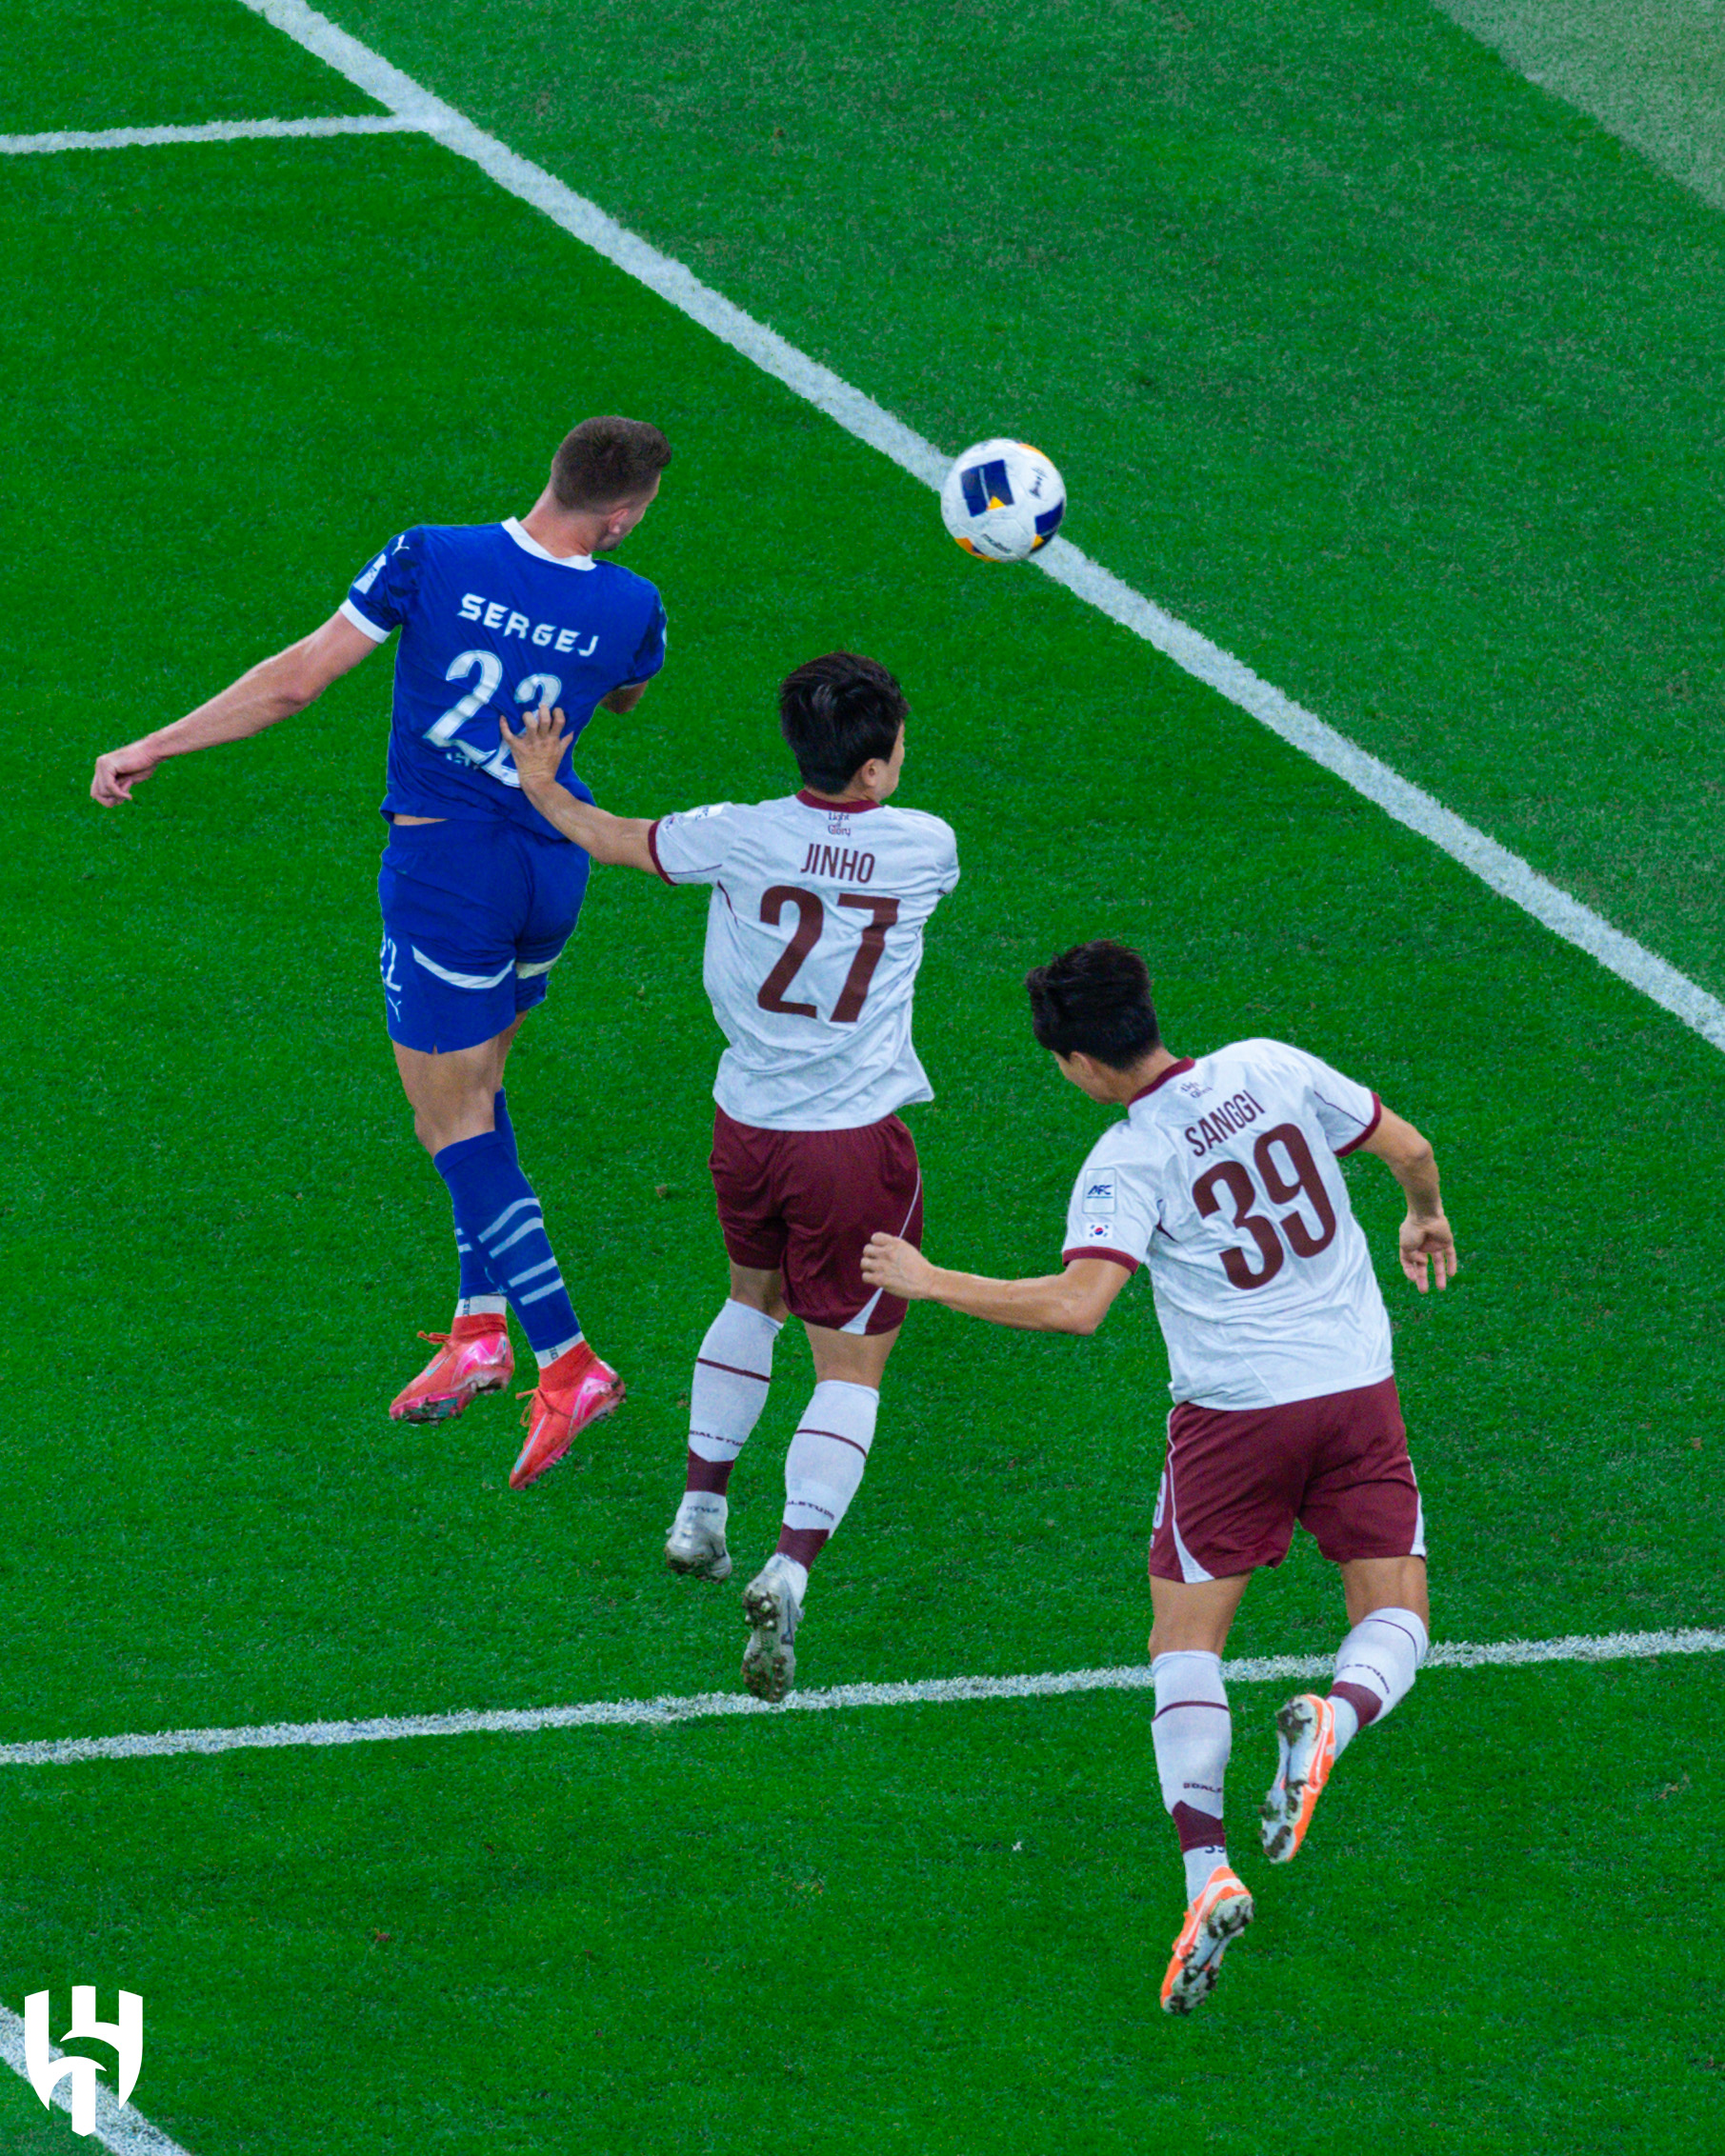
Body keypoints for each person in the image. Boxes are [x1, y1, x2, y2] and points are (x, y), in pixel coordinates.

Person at [860, 940, 1457, 2016]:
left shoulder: (1126, 1156)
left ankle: (1205, 1873)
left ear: (1081, 1062)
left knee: (1183, 1644)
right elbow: (1409, 1146)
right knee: (1396, 1617)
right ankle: (1336, 1716)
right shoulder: (1269, 1063)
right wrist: (1422, 1211)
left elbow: (1076, 1304)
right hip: (1356, 1392)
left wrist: (929, 1278)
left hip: (1234, 1423)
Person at [90, 417, 673, 1489]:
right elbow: (627, 692)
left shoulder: (432, 554)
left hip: (448, 875)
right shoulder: (634, 603)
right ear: (625, 515)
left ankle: (568, 1360)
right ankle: (479, 1329)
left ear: (554, 474)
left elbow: (296, 683)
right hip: (553, 866)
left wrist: (155, 742)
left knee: (447, 1121)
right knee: (481, 1091)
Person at [501, 654, 959, 1699]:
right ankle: (788, 1568)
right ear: (876, 766)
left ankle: (699, 1512)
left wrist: (540, 782)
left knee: (751, 1298)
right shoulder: (926, 845)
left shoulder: (736, 832)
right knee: (848, 1369)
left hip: (745, 1124)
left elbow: (614, 837)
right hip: (852, 1141)